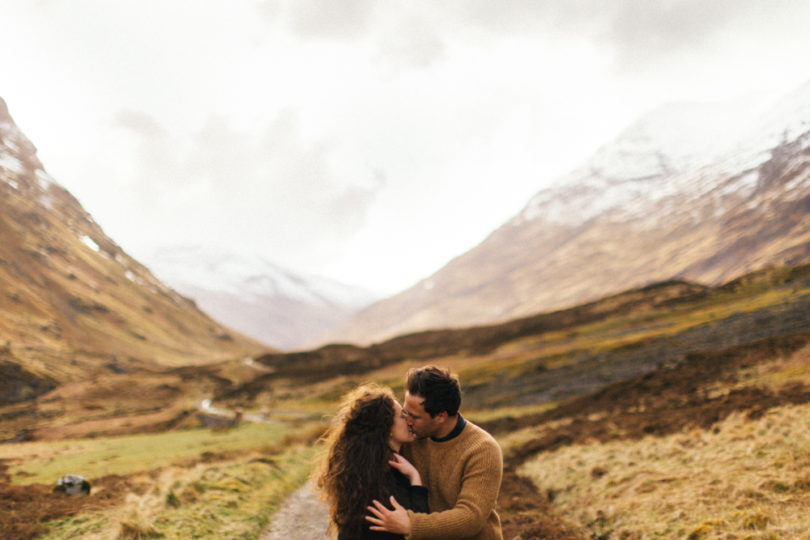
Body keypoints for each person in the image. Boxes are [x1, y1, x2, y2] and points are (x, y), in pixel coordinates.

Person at [365, 366, 504, 540]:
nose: (406, 421)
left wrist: (411, 525)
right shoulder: (411, 437)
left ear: (441, 416)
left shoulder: (482, 449)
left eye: (414, 416)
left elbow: (470, 517)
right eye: (405, 412)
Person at [315, 383, 429, 539]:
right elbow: (418, 528)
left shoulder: (367, 471)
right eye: (402, 416)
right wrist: (415, 479)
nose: (409, 420)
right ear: (387, 428)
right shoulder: (383, 481)